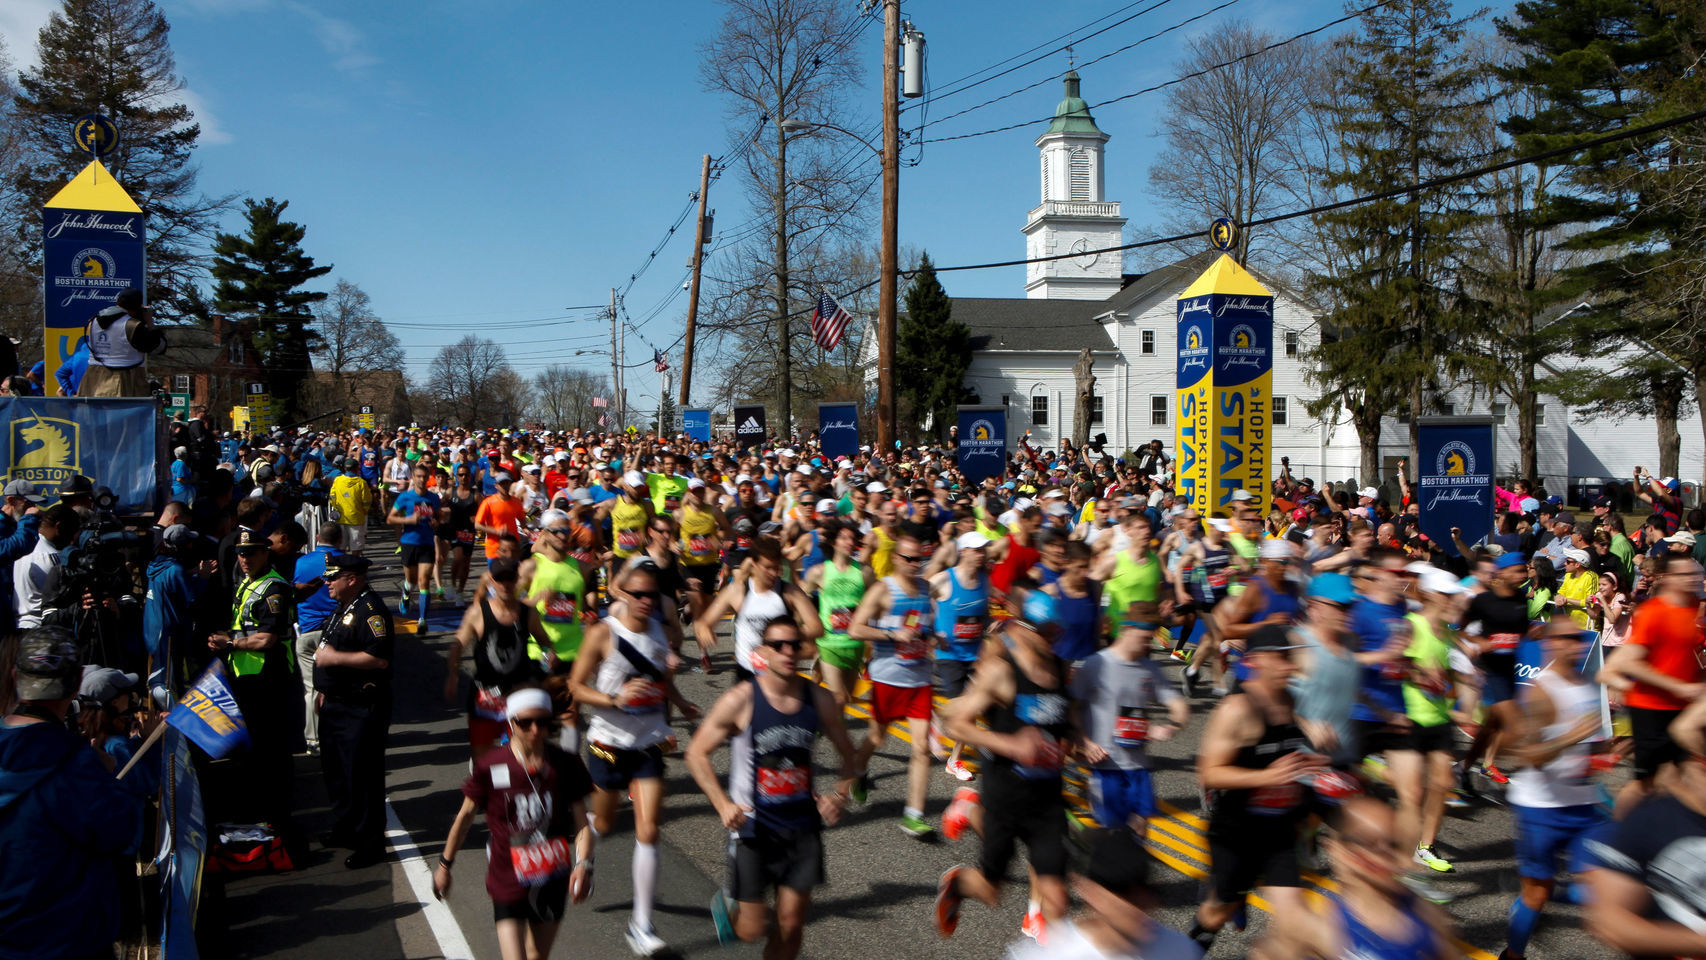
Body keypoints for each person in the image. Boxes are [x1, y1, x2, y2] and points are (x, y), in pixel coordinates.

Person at [688, 615, 859, 960]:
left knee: (792, 925)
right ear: (763, 652)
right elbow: (696, 753)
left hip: (802, 827)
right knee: (751, 930)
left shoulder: (820, 700)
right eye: (778, 645)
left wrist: (839, 795)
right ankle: (729, 905)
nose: (788, 651)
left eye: (794, 645)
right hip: (754, 829)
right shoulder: (742, 700)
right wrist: (723, 805)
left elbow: (851, 756)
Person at [935, 592, 1075, 941]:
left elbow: (1068, 721)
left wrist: (1080, 743)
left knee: (1057, 897)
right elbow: (959, 724)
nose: (1053, 637)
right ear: (1023, 629)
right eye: (1045, 631)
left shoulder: (1061, 669)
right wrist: (1009, 744)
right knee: (992, 890)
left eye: (1056, 630)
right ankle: (956, 883)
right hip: (1005, 795)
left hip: (1048, 798)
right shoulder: (1002, 671)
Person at [0, 627, 143, 960]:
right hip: (67, 939)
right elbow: (121, 832)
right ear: (78, 682)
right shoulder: (75, 764)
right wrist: (108, 777)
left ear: (14, 674)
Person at [1186, 624, 1322, 954]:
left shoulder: (1291, 701)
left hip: (1278, 831)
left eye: (1290, 658)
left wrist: (1316, 761)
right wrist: (1267, 777)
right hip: (1236, 833)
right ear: (1257, 660)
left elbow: (1287, 757)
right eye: (1281, 659)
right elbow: (1209, 774)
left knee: (1293, 921)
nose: (1290, 667)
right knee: (1217, 914)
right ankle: (1186, 948)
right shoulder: (1237, 709)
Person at [432, 688, 595, 960]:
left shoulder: (566, 763)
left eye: (542, 722)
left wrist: (583, 865)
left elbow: (581, 824)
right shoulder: (491, 765)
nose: (534, 730)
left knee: (537, 957)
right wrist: (444, 865)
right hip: (507, 877)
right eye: (525, 722)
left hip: (551, 877)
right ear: (510, 722)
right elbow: (465, 817)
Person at [568, 564, 681, 957]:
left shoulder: (659, 631)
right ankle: (585, 854)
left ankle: (641, 924)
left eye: (653, 595)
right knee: (603, 820)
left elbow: (660, 679)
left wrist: (679, 706)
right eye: (640, 595)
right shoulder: (604, 632)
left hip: (647, 744)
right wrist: (615, 699)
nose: (648, 601)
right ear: (624, 595)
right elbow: (576, 687)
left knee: (648, 830)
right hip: (608, 743)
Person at [1498, 616, 1611, 960]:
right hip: (1539, 809)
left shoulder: (1588, 683)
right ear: (1549, 643)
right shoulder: (1541, 693)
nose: (1574, 645)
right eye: (1565, 639)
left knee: (1605, 886)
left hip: (1581, 803)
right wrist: (1573, 736)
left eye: (1578, 639)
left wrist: (1609, 752)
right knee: (1536, 895)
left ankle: (1554, 892)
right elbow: (1526, 756)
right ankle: (1512, 955)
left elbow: (1595, 746)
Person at [1255, 796, 1458, 960]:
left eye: (1393, 844)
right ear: (1338, 851)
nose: (1384, 853)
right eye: (1369, 842)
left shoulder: (1425, 916)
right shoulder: (1317, 924)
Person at [847, 531, 940, 838]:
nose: (915, 564)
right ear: (897, 559)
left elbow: (924, 628)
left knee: (922, 747)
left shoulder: (926, 588)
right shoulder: (882, 590)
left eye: (919, 559)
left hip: (919, 679)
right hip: (888, 677)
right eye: (909, 559)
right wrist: (890, 636)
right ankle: (859, 772)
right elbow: (855, 628)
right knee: (877, 738)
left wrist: (933, 638)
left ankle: (914, 815)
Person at [208, 527, 300, 832]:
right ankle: (258, 809)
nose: (243, 559)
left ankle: (278, 815)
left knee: (272, 750)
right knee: (253, 749)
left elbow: (266, 639)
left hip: (268, 679)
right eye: (240, 553)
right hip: (247, 677)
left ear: (265, 553)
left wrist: (230, 644)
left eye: (250, 553)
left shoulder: (274, 589)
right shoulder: (247, 583)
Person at [1598, 553, 1705, 816]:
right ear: (1666, 578)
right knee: (1647, 784)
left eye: (1694, 573)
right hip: (1650, 708)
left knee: (1684, 773)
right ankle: (1616, 839)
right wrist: (1677, 686)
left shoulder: (1692, 607)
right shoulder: (1653, 612)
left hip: (1681, 708)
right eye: (1683, 574)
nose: (1691, 578)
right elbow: (1630, 663)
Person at [1000, 827, 1202, 960]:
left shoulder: (1182, 951)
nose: (1140, 902)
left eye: (1145, 885)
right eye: (1122, 889)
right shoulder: (1056, 955)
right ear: (1087, 890)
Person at [312, 554, 395, 869]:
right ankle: (346, 827)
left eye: (333, 577)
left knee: (361, 777)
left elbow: (379, 659)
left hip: (360, 707)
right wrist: (324, 691)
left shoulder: (370, 611)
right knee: (336, 771)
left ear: (353, 578)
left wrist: (334, 660)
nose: (327, 583)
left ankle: (370, 843)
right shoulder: (342, 608)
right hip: (336, 703)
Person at [1070, 621, 1189, 835]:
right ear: (1126, 630)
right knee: (1111, 836)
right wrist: (1084, 742)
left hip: (1139, 767)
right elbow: (1072, 709)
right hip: (1106, 765)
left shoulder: (1149, 668)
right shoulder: (1094, 665)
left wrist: (1172, 726)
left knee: (1140, 831)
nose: (1148, 644)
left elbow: (1178, 704)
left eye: (1150, 638)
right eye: (1143, 638)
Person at [445, 557, 550, 759]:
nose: (505, 584)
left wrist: (547, 664)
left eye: (510, 578)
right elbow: (458, 643)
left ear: (517, 580)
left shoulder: (528, 613)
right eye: (500, 579)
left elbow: (546, 643)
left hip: (518, 696)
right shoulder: (478, 613)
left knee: (521, 756)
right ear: (491, 581)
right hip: (485, 697)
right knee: (482, 759)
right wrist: (453, 674)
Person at [932, 530, 994, 781]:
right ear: (963, 551)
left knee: (972, 709)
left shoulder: (985, 580)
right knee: (965, 711)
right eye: (977, 549)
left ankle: (952, 756)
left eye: (984, 549)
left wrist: (991, 625)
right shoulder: (943, 580)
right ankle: (950, 752)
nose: (982, 554)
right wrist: (932, 634)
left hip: (976, 654)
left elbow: (984, 613)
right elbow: (918, 603)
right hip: (949, 655)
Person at [801, 520, 873, 708]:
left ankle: (821, 717)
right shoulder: (819, 572)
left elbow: (877, 601)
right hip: (828, 643)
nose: (849, 542)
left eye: (852, 538)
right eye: (843, 538)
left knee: (846, 698)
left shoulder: (864, 572)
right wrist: (806, 629)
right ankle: (835, 732)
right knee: (839, 697)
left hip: (855, 643)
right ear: (833, 542)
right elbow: (804, 601)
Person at [294, 524, 344, 755]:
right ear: (340, 540)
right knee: (339, 686)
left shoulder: (301, 562)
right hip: (337, 633)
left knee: (310, 688)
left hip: (307, 631)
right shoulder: (344, 562)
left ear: (316, 537)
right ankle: (338, 734)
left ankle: (313, 740)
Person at [78, 288, 165, 397]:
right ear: (137, 307)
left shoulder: (93, 321)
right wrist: (150, 324)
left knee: (93, 412)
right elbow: (159, 348)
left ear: (118, 302)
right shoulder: (133, 326)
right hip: (125, 378)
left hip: (93, 378)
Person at [388, 463, 440, 630]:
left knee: (424, 581)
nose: (421, 479)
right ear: (413, 478)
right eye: (418, 476)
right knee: (411, 580)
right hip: (409, 542)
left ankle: (422, 620)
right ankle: (406, 592)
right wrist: (408, 520)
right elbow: (390, 519)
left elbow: (438, 520)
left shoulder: (433, 498)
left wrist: (436, 523)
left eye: (424, 477)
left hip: (427, 543)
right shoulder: (405, 497)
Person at [327, 457, 371, 555]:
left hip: (341, 517)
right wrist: (365, 511)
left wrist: (337, 509)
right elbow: (366, 501)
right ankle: (354, 563)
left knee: (341, 544)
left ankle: (342, 563)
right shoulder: (361, 483)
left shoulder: (337, 480)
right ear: (356, 469)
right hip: (357, 518)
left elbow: (332, 497)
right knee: (356, 544)